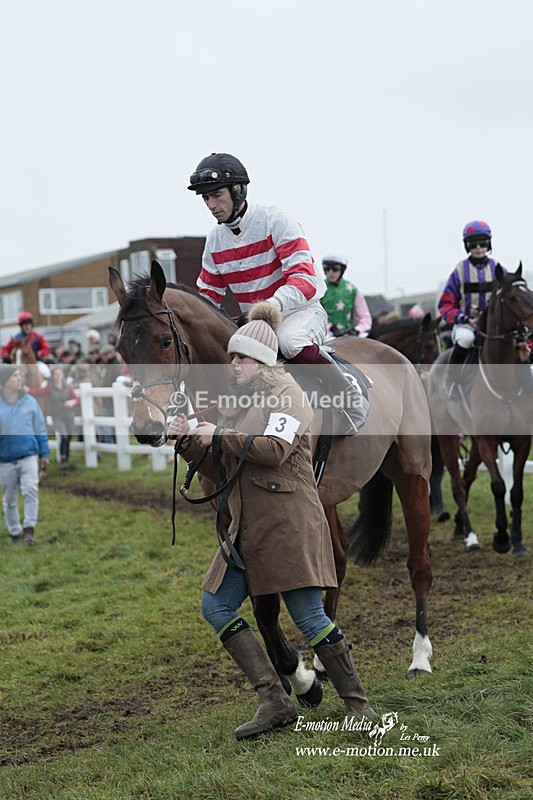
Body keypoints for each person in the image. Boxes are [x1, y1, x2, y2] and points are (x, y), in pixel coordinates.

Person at [168, 303, 373, 740]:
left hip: (287, 523)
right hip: (250, 525)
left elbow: (273, 451)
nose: (233, 363)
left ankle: (359, 708)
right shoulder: (243, 401)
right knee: (215, 605)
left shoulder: (287, 393)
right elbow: (221, 463)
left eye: (240, 357)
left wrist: (218, 434)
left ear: (260, 358)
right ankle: (275, 702)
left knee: (310, 618)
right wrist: (188, 440)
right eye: (233, 356)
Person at [188, 152, 365, 435]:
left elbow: (305, 278)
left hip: (299, 313)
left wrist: (272, 305)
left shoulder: (276, 220)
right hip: (254, 325)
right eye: (205, 198)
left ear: (238, 190)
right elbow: (208, 295)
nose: (211, 205)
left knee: (289, 341)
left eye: (216, 195)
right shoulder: (215, 240)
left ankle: (349, 397)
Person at [438, 220, 503, 400]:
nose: (479, 248)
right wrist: (462, 318)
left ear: (488, 244)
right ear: (467, 246)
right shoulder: (459, 271)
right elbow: (444, 305)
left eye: (483, 243)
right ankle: (451, 380)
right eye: (473, 244)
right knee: (466, 339)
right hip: (468, 325)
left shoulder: (497, 268)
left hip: (492, 325)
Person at [0, 366, 49, 544]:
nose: (19, 379)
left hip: (28, 455)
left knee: (30, 490)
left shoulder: (30, 402)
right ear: (4, 382)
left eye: (20, 376)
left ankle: (29, 530)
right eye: (15, 376)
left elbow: (40, 428)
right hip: (4, 460)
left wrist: (44, 453)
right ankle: (15, 532)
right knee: (10, 499)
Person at [320, 248, 372, 338]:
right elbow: (313, 316)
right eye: (327, 268)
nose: (330, 272)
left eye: (335, 269)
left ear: (342, 270)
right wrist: (330, 327)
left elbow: (365, 319)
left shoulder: (352, 290)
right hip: (325, 334)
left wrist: (357, 330)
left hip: (349, 335)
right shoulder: (319, 288)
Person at [45, 367, 80, 474]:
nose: (58, 376)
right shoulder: (49, 388)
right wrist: (28, 389)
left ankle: (66, 460)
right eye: (56, 374)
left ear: (63, 375)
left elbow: (76, 399)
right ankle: (63, 460)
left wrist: (72, 402)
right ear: (53, 376)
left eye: (59, 373)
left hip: (69, 415)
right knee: (64, 436)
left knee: (68, 438)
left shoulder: (68, 387)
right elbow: (39, 392)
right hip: (57, 416)